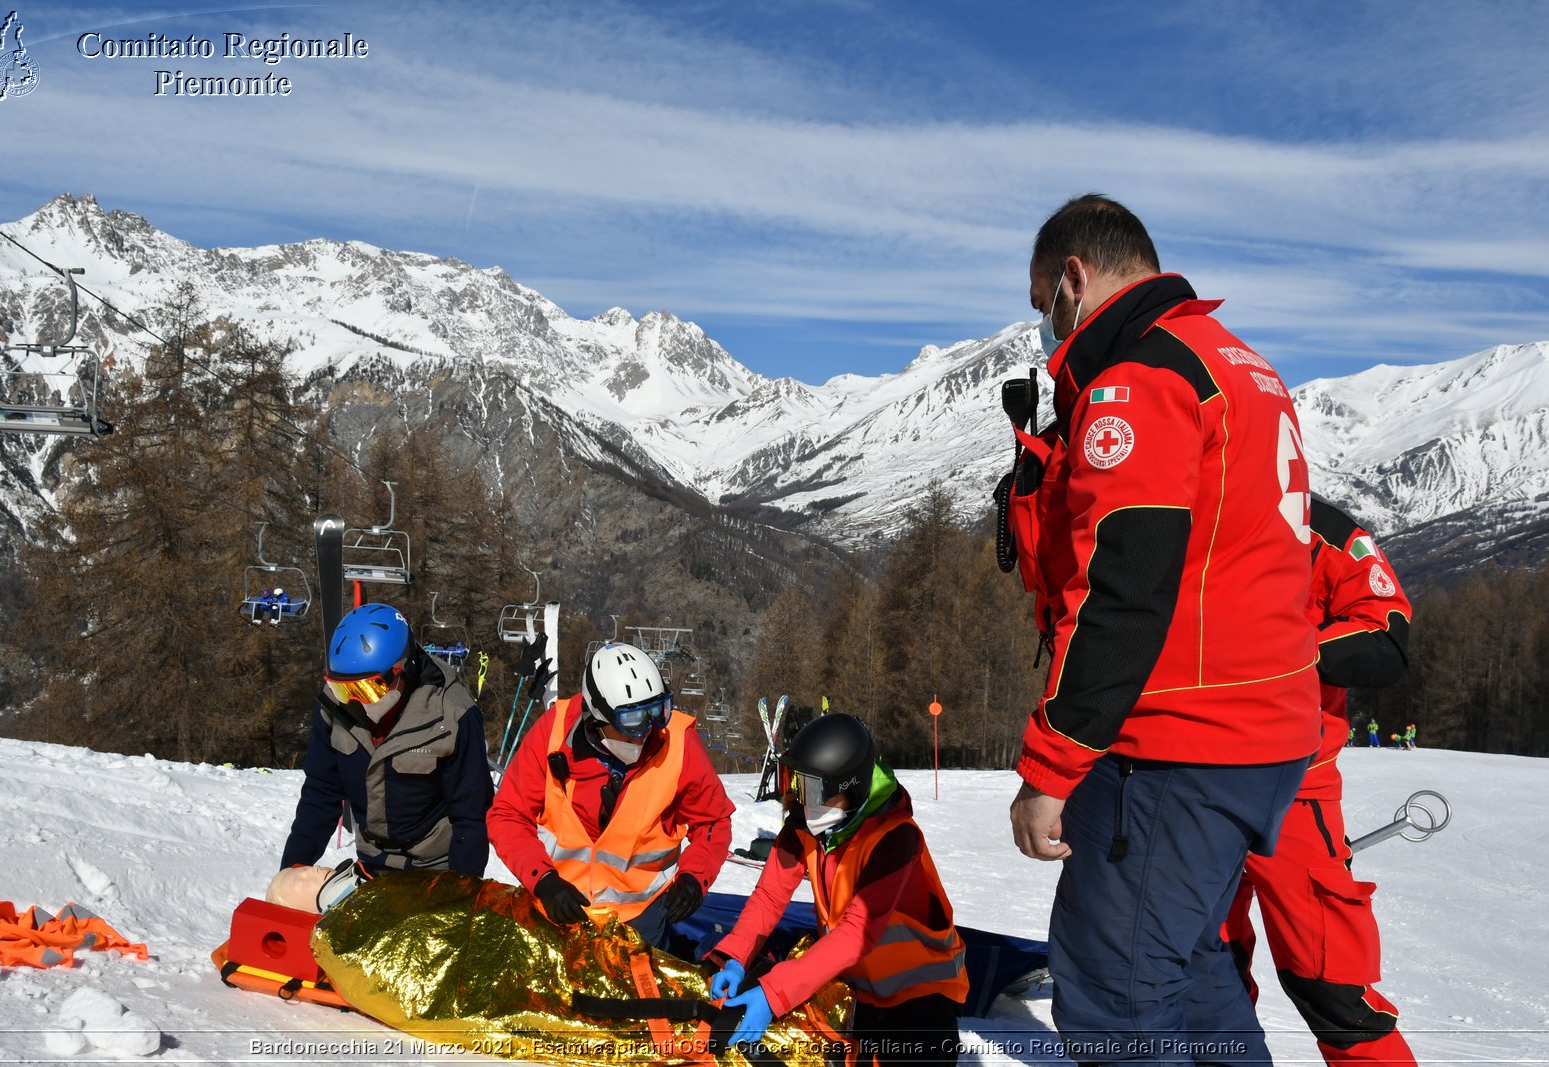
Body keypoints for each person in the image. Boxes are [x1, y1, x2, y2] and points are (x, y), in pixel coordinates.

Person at [1003, 194, 1321, 1064]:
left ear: (1075, 276)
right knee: (1188, 963)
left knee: (1116, 995)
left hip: (1178, 744)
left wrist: (1053, 763)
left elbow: (1123, 588)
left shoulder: (1139, 379)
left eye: (1044, 308)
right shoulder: (1237, 365)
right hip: (1263, 735)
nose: (1047, 331)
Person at [1225, 496, 1416, 1065]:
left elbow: (1387, 633)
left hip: (1294, 783)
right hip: (1173, 780)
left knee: (1329, 982)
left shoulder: (1320, 528)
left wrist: (1275, 650)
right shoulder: (1163, 500)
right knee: (1204, 967)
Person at [709, 714, 967, 1065]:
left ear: (851, 789)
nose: (799, 800)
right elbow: (770, 897)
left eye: (812, 790)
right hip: (855, 987)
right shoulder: (806, 825)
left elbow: (855, 934)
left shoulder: (896, 840)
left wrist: (774, 994)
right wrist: (734, 957)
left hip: (920, 995)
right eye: (794, 784)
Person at [488, 641, 732, 950]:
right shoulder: (553, 734)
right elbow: (508, 814)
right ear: (596, 717)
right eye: (631, 721)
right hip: (561, 906)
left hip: (640, 917)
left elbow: (713, 821)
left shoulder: (678, 743)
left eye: (657, 712)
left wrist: (695, 878)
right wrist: (543, 880)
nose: (646, 731)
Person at [275, 603, 493, 911]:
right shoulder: (334, 708)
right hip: (371, 865)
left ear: (400, 671)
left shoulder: (452, 713)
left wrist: (457, 897)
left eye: (367, 688)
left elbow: (470, 816)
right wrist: (292, 871)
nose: (356, 702)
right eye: (343, 689)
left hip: (434, 871)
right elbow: (320, 793)